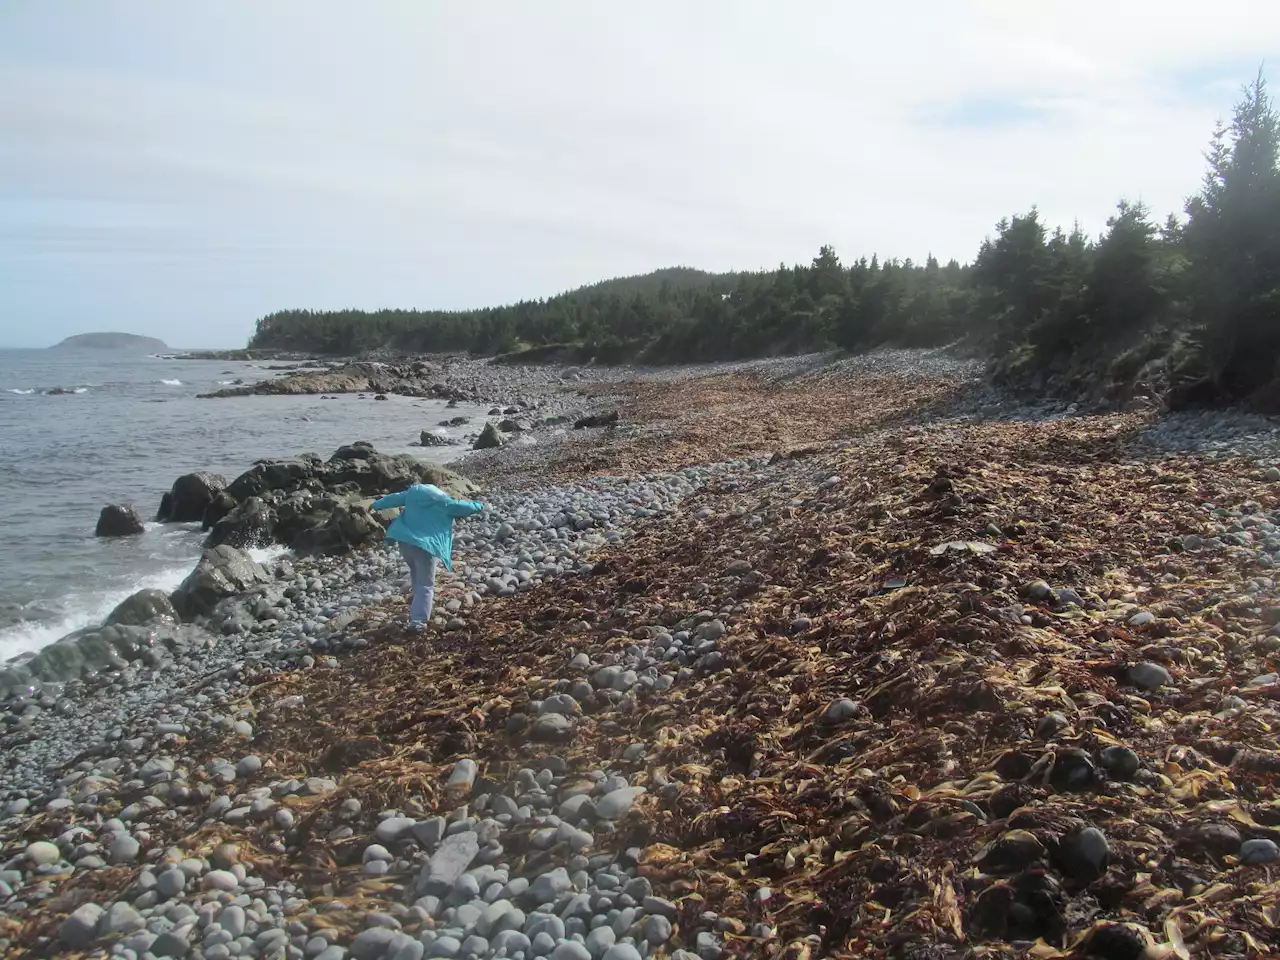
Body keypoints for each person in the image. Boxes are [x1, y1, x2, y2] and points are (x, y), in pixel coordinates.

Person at [372, 483, 484, 629]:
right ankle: (418, 621)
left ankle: (418, 607)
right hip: (425, 546)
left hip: (405, 542)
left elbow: (393, 499)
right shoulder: (442, 501)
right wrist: (478, 505)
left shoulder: (411, 494)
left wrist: (376, 504)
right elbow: (463, 507)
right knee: (426, 584)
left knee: (416, 575)